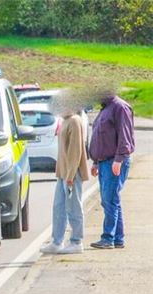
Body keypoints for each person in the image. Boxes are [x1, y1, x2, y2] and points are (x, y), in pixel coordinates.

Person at [87, 88, 135, 249]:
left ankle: (108, 238)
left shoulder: (120, 107)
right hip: (103, 162)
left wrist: (119, 160)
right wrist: (95, 161)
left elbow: (125, 136)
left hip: (114, 161)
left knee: (109, 200)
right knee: (111, 200)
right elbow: (101, 138)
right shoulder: (105, 109)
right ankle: (118, 238)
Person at [41, 97, 88, 254]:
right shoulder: (65, 121)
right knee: (59, 207)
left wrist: (70, 175)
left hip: (71, 174)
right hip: (63, 173)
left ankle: (76, 241)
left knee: (73, 207)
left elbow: (75, 151)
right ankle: (57, 241)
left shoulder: (74, 121)